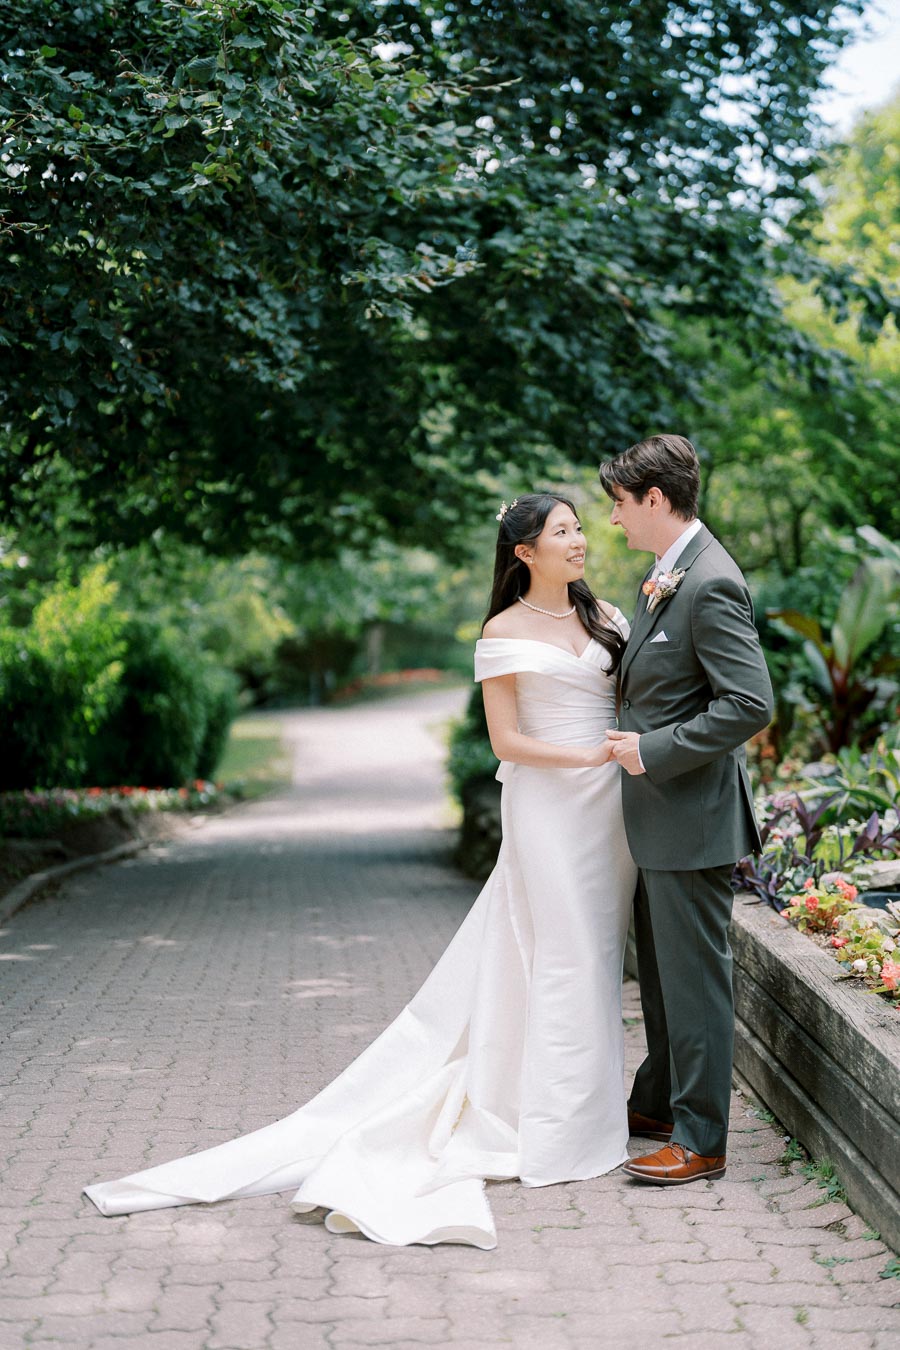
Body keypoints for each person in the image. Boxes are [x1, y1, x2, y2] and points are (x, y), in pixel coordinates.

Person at [83, 493, 639, 1248]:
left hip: (609, 809)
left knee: (598, 952)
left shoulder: (609, 617)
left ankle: (587, 1104)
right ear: (523, 552)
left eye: (579, 527)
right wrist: (584, 754)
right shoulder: (501, 633)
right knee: (563, 953)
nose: (580, 540)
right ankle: (558, 1121)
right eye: (563, 531)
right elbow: (506, 742)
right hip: (548, 805)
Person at [599, 434, 774, 1185]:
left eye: (619, 505)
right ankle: (659, 1103)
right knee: (666, 981)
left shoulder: (710, 582)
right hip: (656, 819)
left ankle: (702, 1141)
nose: (613, 521)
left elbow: (750, 703)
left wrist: (653, 750)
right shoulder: (665, 574)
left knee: (695, 984)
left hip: (690, 815)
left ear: (656, 500)